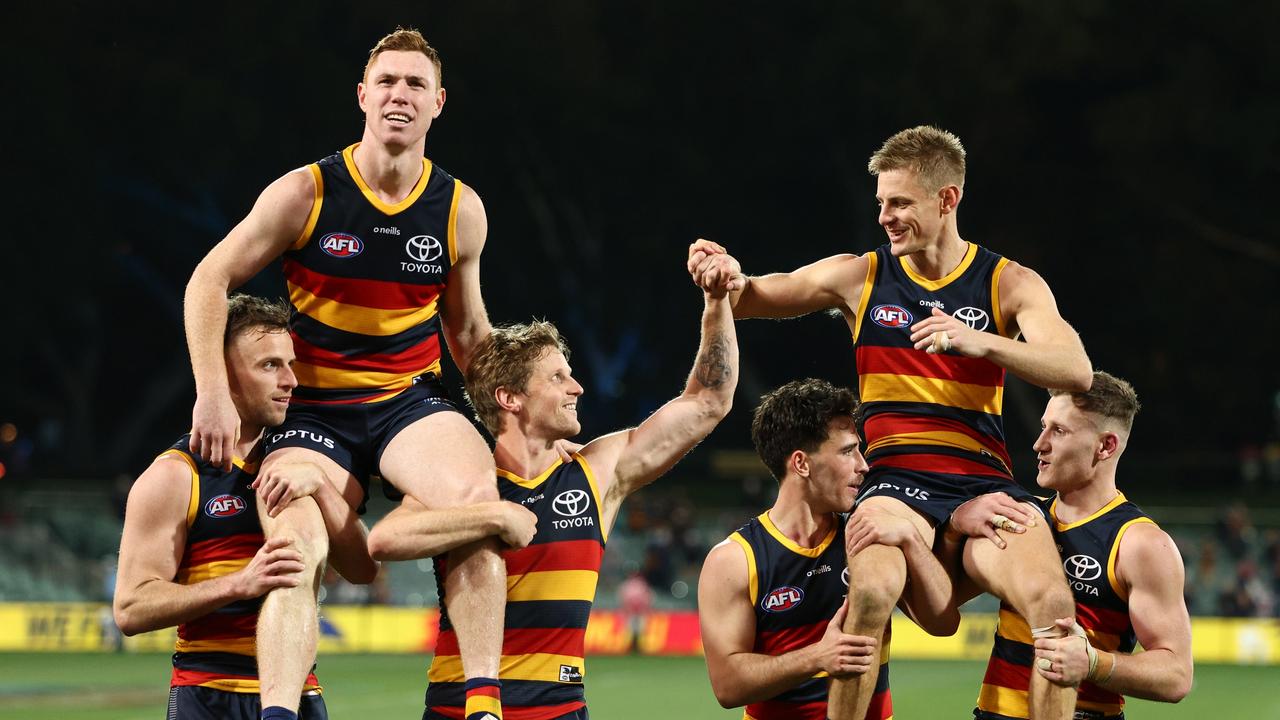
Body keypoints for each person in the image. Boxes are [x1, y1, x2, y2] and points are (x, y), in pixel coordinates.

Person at [688, 125, 1093, 720]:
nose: (885, 216)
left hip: (985, 487)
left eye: (899, 202)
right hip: (894, 487)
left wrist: (980, 343)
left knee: (1055, 611)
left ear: (947, 199)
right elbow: (759, 295)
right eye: (881, 202)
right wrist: (725, 276)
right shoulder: (862, 276)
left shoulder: (1009, 282)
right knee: (870, 595)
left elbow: (1076, 371)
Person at [183, 28, 508, 720]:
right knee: (293, 548)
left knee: (478, 503)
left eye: (416, 84)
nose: (400, 94)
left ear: (439, 103)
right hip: (315, 412)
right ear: (363, 95)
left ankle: (483, 705)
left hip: (407, 404)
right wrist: (213, 393)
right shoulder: (306, 192)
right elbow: (208, 279)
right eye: (387, 81)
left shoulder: (460, 210)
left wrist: (516, 428)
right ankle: (278, 714)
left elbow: (471, 336)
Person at [366, 286, 738, 720]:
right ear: (510, 398)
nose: (577, 388)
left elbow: (708, 402)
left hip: (557, 709)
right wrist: (496, 513)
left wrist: (716, 303)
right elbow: (385, 539)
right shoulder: (458, 482)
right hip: (458, 708)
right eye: (558, 377)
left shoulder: (597, 472)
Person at [113, 295, 374, 719]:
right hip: (210, 695)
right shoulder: (176, 476)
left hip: (298, 695)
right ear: (222, 374)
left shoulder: (304, 459)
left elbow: (365, 570)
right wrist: (239, 583)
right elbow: (130, 608)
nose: (290, 380)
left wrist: (323, 486)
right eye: (270, 365)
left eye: (290, 364)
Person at [699, 379, 961, 720]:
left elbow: (943, 623)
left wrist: (910, 537)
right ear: (802, 464)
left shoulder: (869, 534)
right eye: (847, 451)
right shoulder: (734, 560)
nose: (863, 466)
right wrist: (818, 657)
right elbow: (728, 686)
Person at [954, 372, 1192, 719]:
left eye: (1059, 431)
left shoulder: (1139, 543)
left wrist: (1093, 662)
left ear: (1105, 446)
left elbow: (1176, 676)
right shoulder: (1020, 517)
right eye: (1043, 426)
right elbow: (939, 613)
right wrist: (956, 521)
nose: (1040, 444)